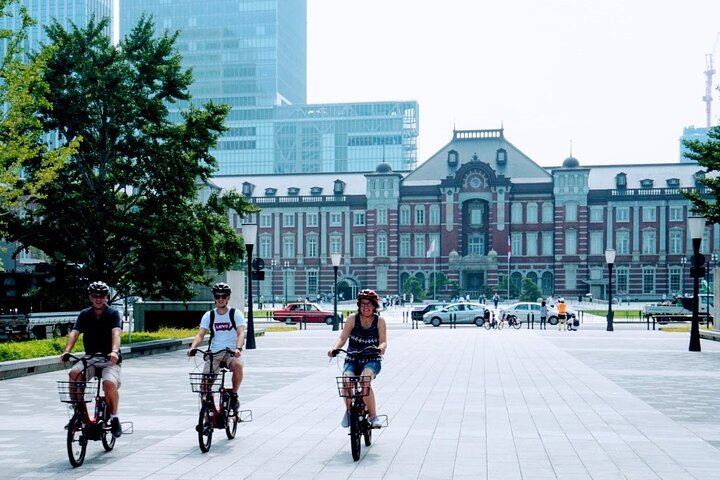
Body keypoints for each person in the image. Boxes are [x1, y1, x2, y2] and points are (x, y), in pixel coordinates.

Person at [61, 281, 124, 437]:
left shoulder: (113, 314)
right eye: (95, 296)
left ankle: (114, 418)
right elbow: (74, 333)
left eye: (101, 296)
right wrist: (67, 351)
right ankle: (78, 413)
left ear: (106, 297)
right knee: (73, 375)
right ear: (90, 297)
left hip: (110, 359)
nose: (98, 299)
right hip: (90, 358)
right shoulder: (84, 314)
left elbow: (116, 333)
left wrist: (115, 351)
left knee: (108, 383)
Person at [328, 289, 388, 429]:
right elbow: (342, 337)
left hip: (371, 359)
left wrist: (381, 348)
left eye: (368, 304)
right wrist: (334, 348)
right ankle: (349, 411)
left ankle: (373, 416)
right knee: (346, 382)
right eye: (362, 304)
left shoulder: (379, 321)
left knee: (364, 380)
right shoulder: (352, 319)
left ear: (374, 306)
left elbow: (384, 341)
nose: (365, 307)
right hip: (352, 358)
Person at [188, 282, 246, 411]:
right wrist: (193, 347)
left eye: (223, 296)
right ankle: (208, 416)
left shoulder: (235, 314)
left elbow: (241, 333)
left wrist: (238, 348)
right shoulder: (209, 315)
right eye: (217, 296)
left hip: (230, 352)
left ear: (228, 298)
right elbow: (200, 334)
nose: (220, 299)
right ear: (214, 298)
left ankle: (234, 394)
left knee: (238, 365)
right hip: (214, 354)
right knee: (204, 387)